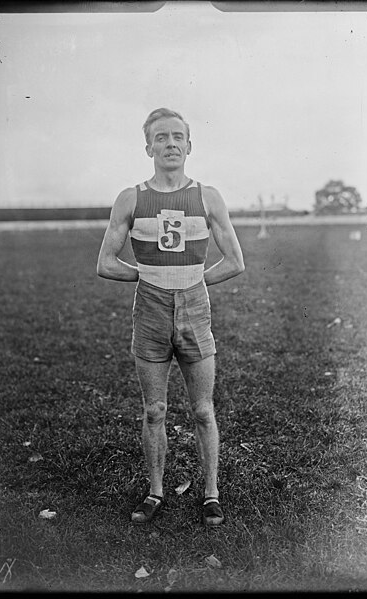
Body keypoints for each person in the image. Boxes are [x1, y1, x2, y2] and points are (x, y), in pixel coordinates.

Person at [97, 108, 245, 527]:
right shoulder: (131, 198)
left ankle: (211, 493)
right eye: (161, 138)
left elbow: (235, 261)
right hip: (150, 311)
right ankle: (156, 491)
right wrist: (149, 276)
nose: (170, 144)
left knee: (202, 409)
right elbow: (106, 263)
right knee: (155, 409)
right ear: (149, 147)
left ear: (189, 146)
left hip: (195, 310)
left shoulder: (207, 196)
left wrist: (193, 284)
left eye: (178, 137)